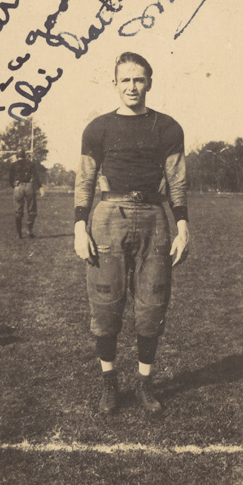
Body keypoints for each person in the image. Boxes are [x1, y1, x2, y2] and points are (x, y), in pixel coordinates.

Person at [74, 52, 189, 414]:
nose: (132, 86)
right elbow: (85, 180)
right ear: (115, 84)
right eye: (125, 79)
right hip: (108, 216)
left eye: (139, 79)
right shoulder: (98, 128)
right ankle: (110, 385)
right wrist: (80, 226)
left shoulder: (167, 126)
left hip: (155, 218)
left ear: (150, 82)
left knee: (151, 307)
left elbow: (177, 180)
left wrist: (182, 225)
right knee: (106, 307)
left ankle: (144, 384)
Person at [9, 149, 42, 239]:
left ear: (17, 155)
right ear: (25, 155)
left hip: (18, 186)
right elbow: (35, 176)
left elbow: (10, 178)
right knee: (32, 210)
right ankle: (29, 230)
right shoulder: (30, 163)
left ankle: (19, 234)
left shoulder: (13, 165)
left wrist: (14, 185)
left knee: (18, 210)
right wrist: (40, 187)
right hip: (29, 186)